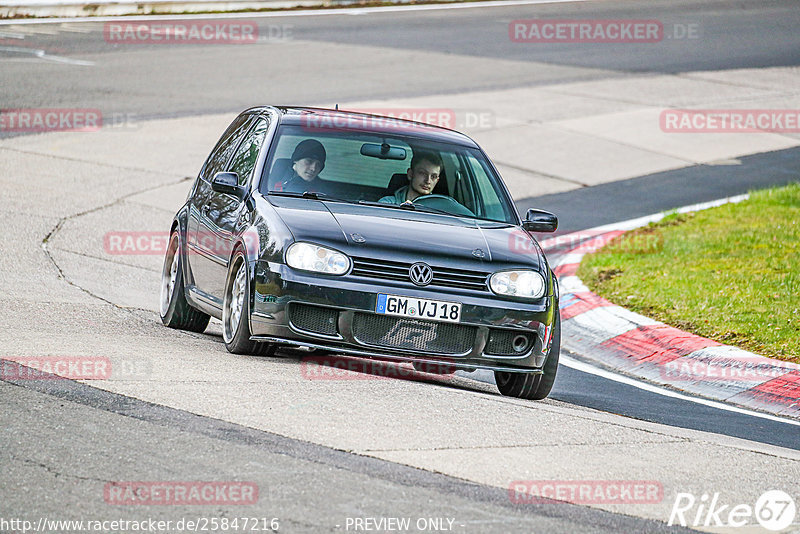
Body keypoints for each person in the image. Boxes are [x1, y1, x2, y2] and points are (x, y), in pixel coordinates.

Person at [379, 150, 473, 216]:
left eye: (433, 177)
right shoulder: (388, 203)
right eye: (423, 173)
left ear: (437, 181)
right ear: (410, 174)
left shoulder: (444, 210)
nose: (428, 181)